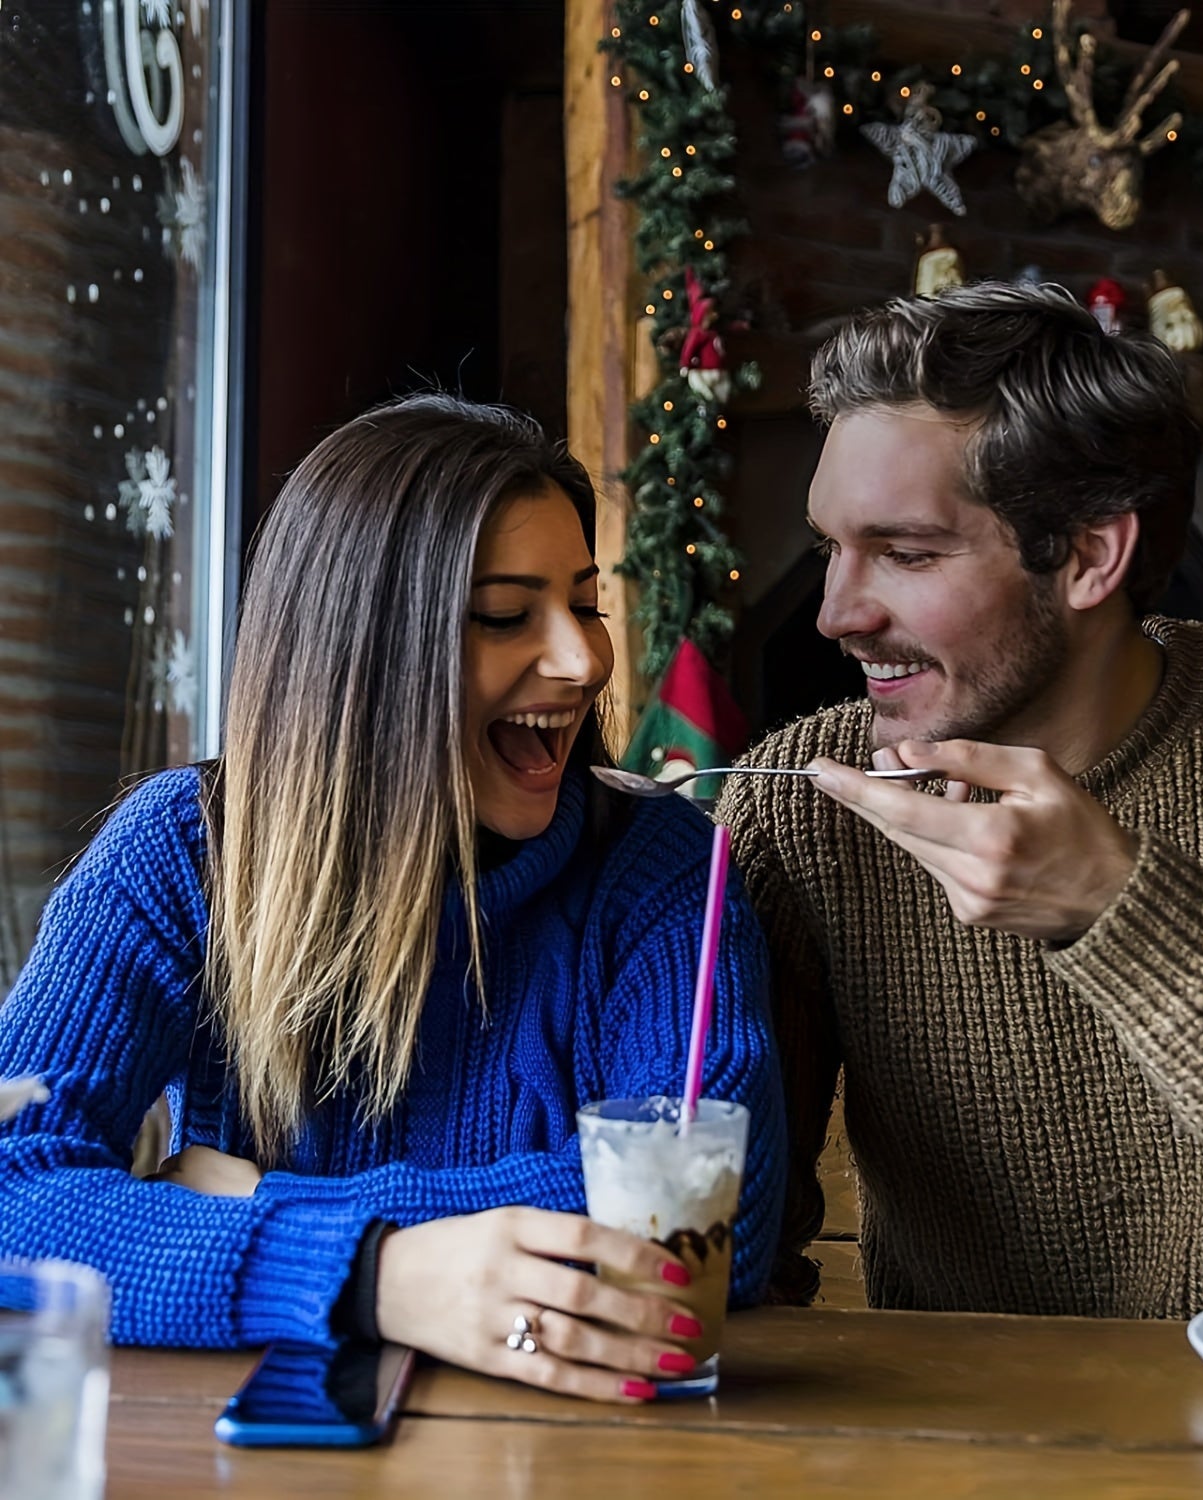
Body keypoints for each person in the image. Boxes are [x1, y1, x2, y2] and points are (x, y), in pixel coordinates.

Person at [717, 281, 1203, 1318]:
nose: (835, 613)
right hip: (957, 1416)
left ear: (1090, 555)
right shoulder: (801, 807)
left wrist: (1120, 908)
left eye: (904, 553)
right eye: (830, 547)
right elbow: (726, 1239)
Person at [0, 394, 785, 1404]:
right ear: (362, 653)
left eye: (587, 604)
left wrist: (263, 1199)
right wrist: (377, 1275)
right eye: (506, 614)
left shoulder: (661, 865)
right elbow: (14, 1189)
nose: (586, 660)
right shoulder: (184, 851)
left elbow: (716, 1213)